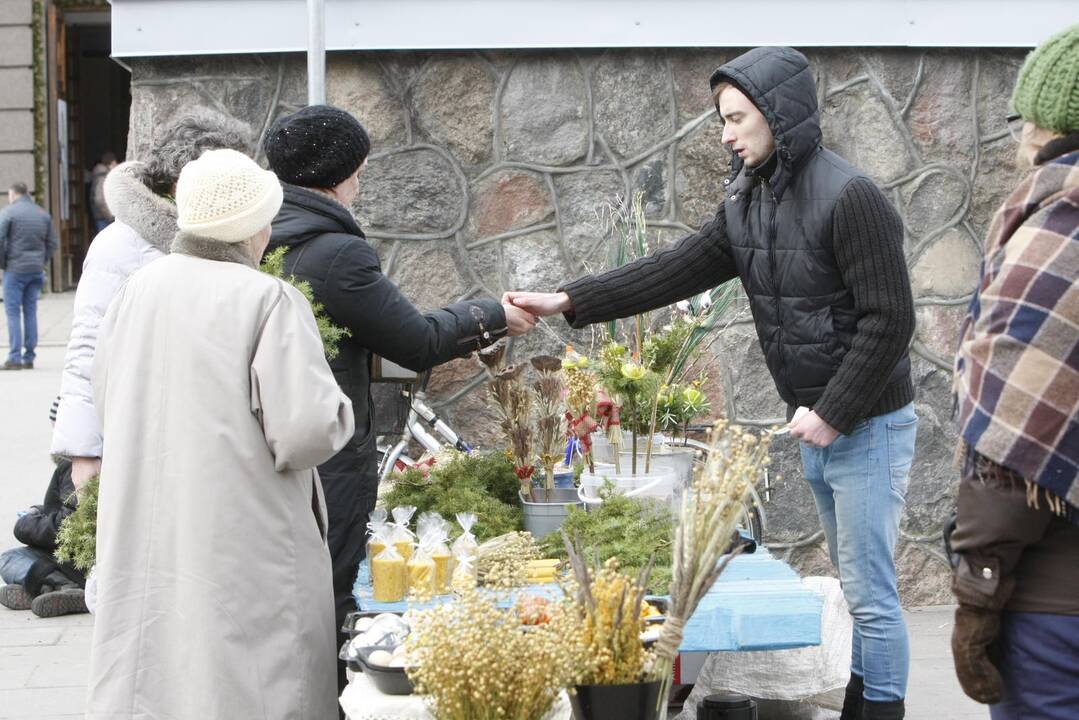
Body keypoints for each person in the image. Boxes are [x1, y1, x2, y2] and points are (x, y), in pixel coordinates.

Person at [507, 47, 917, 720]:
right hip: (820, 420)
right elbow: (673, 269)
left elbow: (890, 319)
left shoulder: (851, 197)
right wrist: (566, 300)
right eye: (721, 120)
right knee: (854, 589)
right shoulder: (748, 198)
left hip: (865, 425)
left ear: (776, 117)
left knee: (870, 595)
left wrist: (834, 413)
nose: (725, 134)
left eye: (735, 119)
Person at [261, 104, 537, 695]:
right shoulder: (336, 253)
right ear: (340, 174)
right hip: (327, 454)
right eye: (359, 171)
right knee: (327, 595)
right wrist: (491, 315)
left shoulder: (260, 240)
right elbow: (413, 341)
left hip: (268, 447)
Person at [87, 148, 354, 720]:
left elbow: (106, 397)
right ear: (256, 226)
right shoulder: (266, 298)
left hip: (149, 519)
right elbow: (306, 430)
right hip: (245, 530)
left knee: (160, 673)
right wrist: (341, 409)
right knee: (253, 680)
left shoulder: (138, 289)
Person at [950, 23, 1079, 720]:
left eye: (1026, 119)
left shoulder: (1058, 228)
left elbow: (1010, 445)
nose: (1020, 138)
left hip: (1059, 616)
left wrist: (977, 596)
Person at [51, 108, 254, 491]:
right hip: (140, 433)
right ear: (181, 179)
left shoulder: (232, 234)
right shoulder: (122, 244)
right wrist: (84, 452)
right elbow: (87, 349)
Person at [0, 456, 88, 618]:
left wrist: (24, 524)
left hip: (75, 564)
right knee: (8, 559)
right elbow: (71, 510)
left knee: (9, 559)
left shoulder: (79, 465)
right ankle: (51, 589)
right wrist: (38, 511)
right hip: (75, 559)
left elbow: (66, 527)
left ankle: (61, 587)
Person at [0, 182, 59, 370]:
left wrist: (3, 263)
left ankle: (15, 357)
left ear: (13, 194)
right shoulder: (42, 214)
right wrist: (41, 261)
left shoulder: (9, 212)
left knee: (12, 312)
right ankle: (29, 357)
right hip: (35, 270)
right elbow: (52, 242)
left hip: (15, 270)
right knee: (30, 311)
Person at [88, 151, 117, 234]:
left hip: (101, 217)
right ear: (113, 162)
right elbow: (99, 199)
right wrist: (111, 216)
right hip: (104, 218)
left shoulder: (100, 174)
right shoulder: (103, 176)